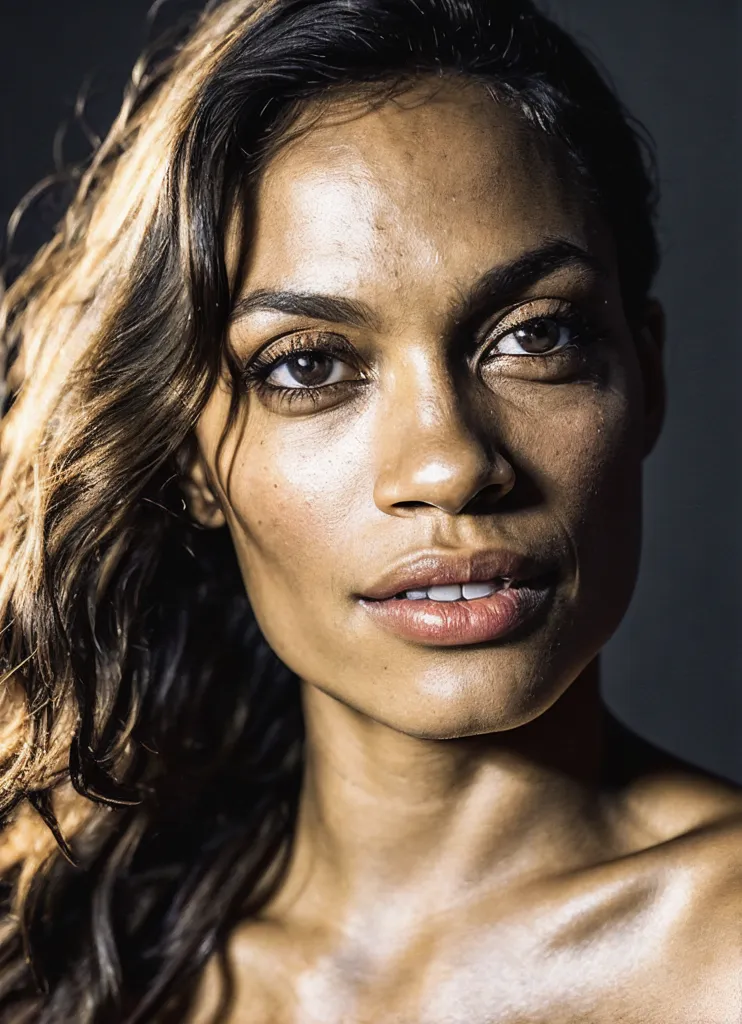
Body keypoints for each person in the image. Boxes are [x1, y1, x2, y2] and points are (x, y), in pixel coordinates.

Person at [0, 0, 740, 1020]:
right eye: (308, 364)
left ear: (643, 376)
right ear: (195, 461)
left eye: (534, 337)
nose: (448, 464)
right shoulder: (69, 950)